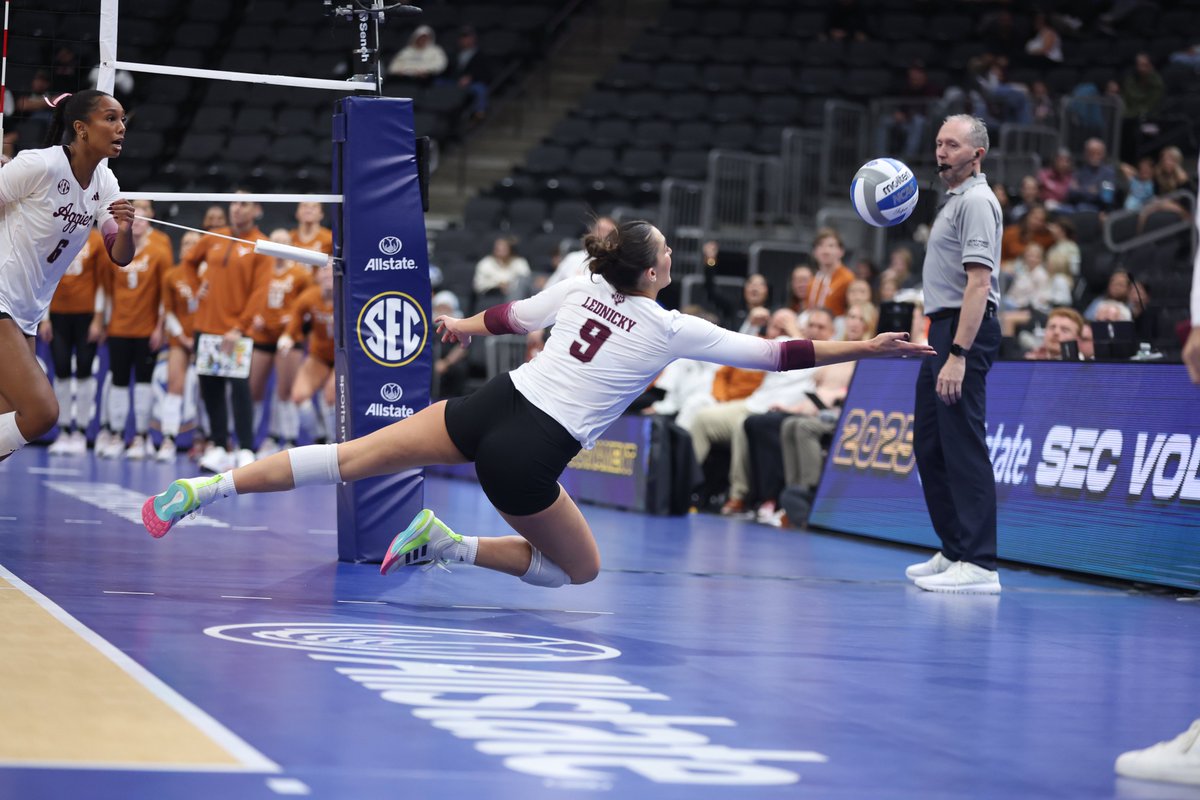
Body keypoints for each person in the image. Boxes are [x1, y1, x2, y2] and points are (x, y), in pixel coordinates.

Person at [142, 222, 934, 590]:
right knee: (578, 572)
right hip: (529, 448)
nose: (668, 256)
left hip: (492, 401)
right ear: (654, 272)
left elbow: (513, 318)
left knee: (349, 459)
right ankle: (447, 546)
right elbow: (777, 354)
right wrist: (869, 347)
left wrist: (456, 323)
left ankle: (205, 490)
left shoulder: (586, 286)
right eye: (664, 250)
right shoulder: (669, 326)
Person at [0, 90, 135, 463]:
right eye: (110, 118)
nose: (121, 127)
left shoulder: (105, 183)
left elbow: (120, 256)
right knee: (42, 413)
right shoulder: (39, 165)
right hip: (1, 300)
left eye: (123, 119)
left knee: (8, 427)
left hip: (26, 313)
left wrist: (124, 229)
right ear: (81, 128)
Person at [905, 114, 1004, 595]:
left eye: (952, 145)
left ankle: (981, 563)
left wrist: (959, 353)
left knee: (963, 444)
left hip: (964, 332)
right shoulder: (953, 201)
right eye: (939, 143)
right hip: (940, 327)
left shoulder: (979, 203)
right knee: (930, 443)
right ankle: (955, 548)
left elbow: (979, 285)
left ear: (977, 154)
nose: (941, 152)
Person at [180, 192, 273, 472]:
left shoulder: (262, 245)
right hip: (206, 328)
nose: (237, 209)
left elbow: (260, 291)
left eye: (244, 204)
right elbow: (188, 262)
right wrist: (196, 287)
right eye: (233, 203)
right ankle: (219, 446)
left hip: (236, 332)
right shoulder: (213, 237)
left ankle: (245, 448)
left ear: (256, 209)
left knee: (240, 390)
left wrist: (239, 327)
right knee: (211, 389)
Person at [95, 202, 170, 459]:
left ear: (150, 217)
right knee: (117, 381)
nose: (138, 217)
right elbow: (105, 290)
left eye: (144, 212)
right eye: (134, 211)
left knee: (143, 383)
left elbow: (165, 293)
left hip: (146, 329)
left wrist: (160, 327)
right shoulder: (115, 247)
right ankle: (116, 435)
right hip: (118, 327)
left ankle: (141, 436)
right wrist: (102, 322)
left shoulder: (160, 250)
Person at [247, 229, 313, 458]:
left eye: (284, 241)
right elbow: (249, 297)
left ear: (291, 244)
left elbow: (309, 306)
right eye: (276, 241)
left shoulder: (300, 274)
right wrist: (253, 316)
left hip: (289, 337)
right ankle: (250, 441)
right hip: (263, 335)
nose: (280, 245)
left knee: (285, 390)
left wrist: (295, 319)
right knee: (254, 388)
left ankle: (290, 439)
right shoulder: (260, 271)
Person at [42, 227, 105, 456]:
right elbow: (45, 277)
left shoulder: (97, 239)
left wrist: (98, 319)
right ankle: (64, 429)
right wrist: (45, 317)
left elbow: (101, 282)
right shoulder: (55, 231)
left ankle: (81, 430)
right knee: (61, 369)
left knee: (85, 370)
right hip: (58, 314)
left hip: (86, 314)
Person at [278, 259, 336, 443]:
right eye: (324, 270)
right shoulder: (309, 296)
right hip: (319, 355)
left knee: (331, 397)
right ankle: (319, 436)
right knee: (299, 397)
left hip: (345, 357)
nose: (327, 274)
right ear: (317, 275)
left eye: (332, 270)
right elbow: (295, 317)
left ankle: (335, 443)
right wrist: (287, 337)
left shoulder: (349, 294)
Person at [158, 231, 202, 461]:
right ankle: (168, 439)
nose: (189, 247)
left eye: (195, 244)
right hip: (179, 338)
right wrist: (183, 337)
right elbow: (168, 310)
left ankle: (205, 442)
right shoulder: (172, 275)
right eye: (185, 243)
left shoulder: (210, 274)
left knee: (206, 392)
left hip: (206, 339)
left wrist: (199, 337)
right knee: (174, 386)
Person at [804, 228, 855, 318]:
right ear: (814, 252)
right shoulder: (812, 281)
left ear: (841, 251)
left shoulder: (848, 279)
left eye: (831, 246)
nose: (825, 251)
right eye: (820, 246)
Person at [473, 235, 531, 307]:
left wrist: (509, 285)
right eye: (498, 247)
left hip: (516, 296)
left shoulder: (519, 262)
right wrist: (497, 285)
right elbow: (478, 285)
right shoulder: (485, 263)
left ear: (510, 248)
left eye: (504, 247)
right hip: (492, 295)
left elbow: (526, 280)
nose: (500, 249)